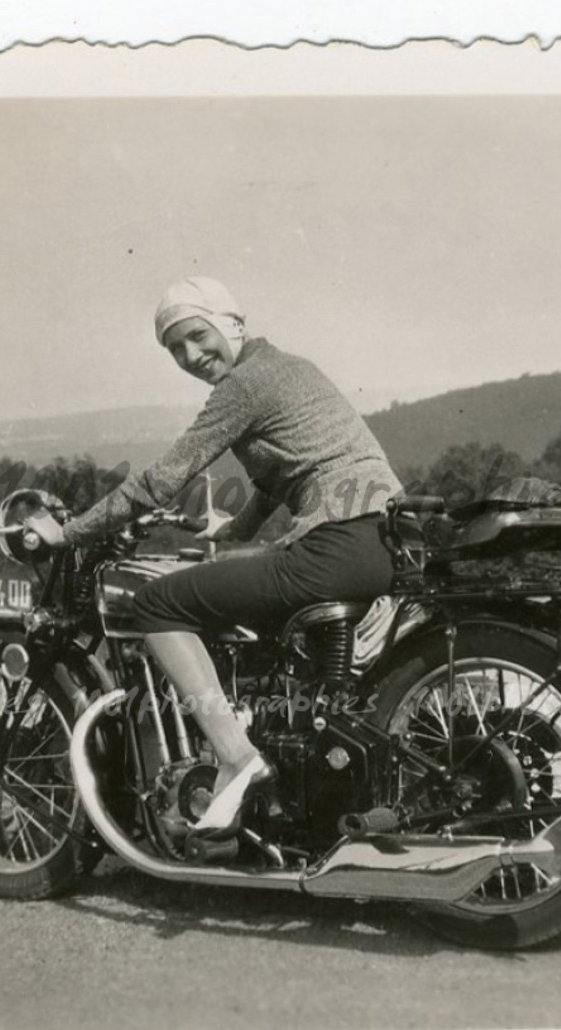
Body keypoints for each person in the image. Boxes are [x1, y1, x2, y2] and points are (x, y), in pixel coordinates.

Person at [35, 276, 403, 836]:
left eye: (197, 336)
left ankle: (236, 756)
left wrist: (71, 533)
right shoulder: (287, 368)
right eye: (175, 348)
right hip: (379, 540)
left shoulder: (244, 386)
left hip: (337, 545)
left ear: (231, 323)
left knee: (156, 603)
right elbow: (286, 472)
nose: (190, 355)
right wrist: (233, 532)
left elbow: (162, 478)